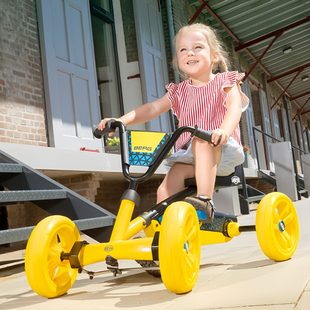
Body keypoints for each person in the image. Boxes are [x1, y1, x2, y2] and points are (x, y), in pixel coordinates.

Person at [98, 23, 249, 223]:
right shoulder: (179, 92)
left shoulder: (225, 81)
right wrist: (120, 120)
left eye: (197, 47)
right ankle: (165, 230)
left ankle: (205, 201)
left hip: (220, 150)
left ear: (214, 55)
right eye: (183, 50)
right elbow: (151, 109)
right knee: (167, 186)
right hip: (190, 157)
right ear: (178, 61)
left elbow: (234, 108)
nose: (189, 53)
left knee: (201, 140)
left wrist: (224, 131)